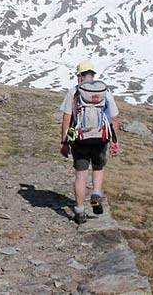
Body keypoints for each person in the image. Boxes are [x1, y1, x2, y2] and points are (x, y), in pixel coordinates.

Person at [59, 60, 120, 224]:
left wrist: (65, 142)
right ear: (92, 74)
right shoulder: (105, 91)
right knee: (98, 168)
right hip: (100, 138)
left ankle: (79, 212)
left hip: (80, 139)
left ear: (79, 76)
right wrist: (114, 141)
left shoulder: (74, 92)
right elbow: (113, 118)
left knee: (80, 175)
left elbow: (67, 119)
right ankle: (96, 193)